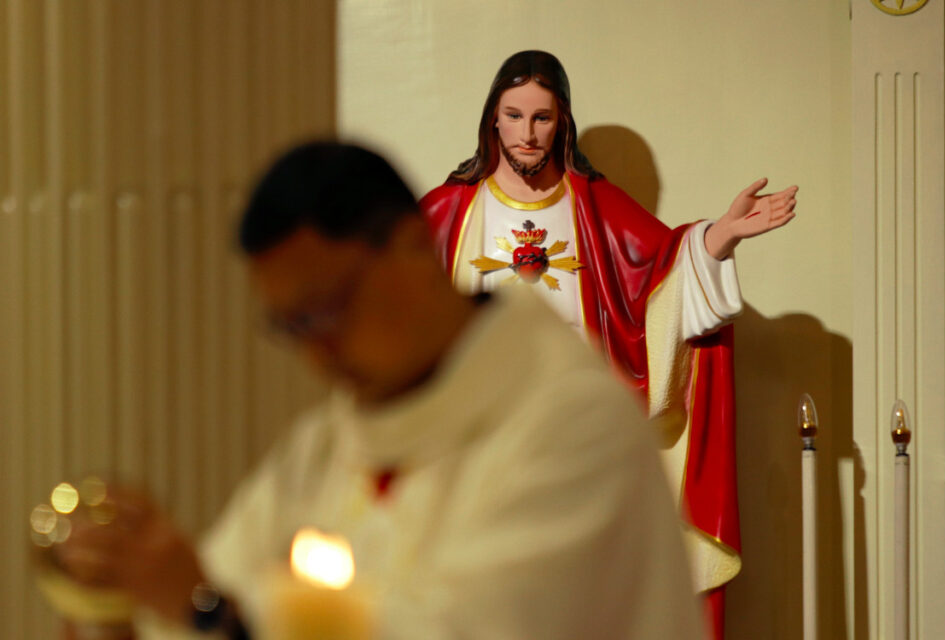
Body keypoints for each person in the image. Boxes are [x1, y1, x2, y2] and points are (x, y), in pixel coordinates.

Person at [54, 141, 706, 639]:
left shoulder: (572, 423)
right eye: (291, 326)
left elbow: (469, 629)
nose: (316, 352)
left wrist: (207, 609)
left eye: (327, 310)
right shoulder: (323, 447)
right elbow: (209, 590)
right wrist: (122, 598)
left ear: (413, 246)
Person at [420, 50, 797, 637]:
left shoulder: (594, 206)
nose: (527, 133)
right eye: (514, 115)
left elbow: (666, 276)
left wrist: (721, 235)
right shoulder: (447, 212)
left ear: (562, 122)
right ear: (493, 117)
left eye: (542, 118)